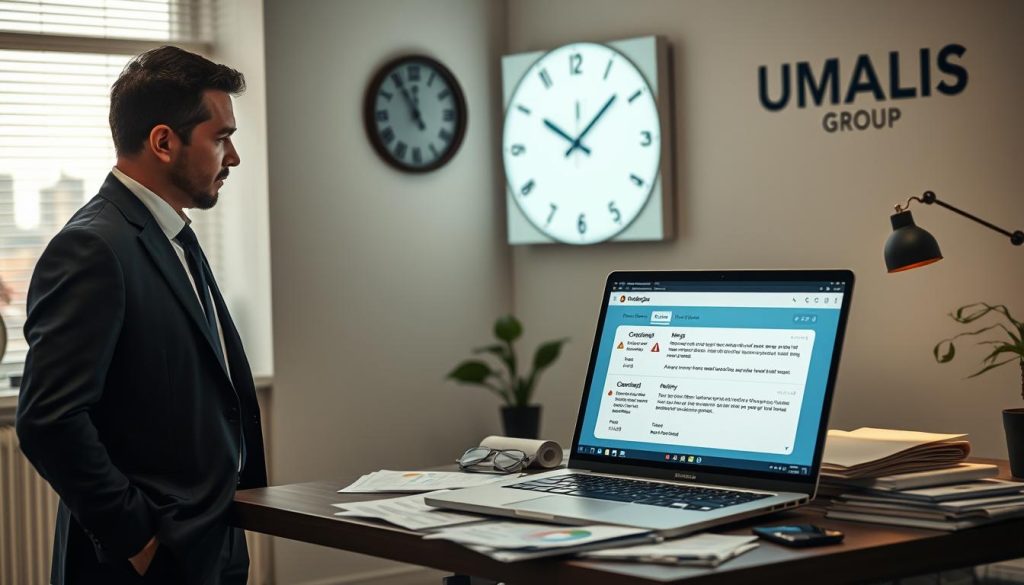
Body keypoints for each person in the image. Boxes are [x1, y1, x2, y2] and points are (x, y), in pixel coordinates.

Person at [15, 45, 267, 585]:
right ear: (162, 141)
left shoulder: (173, 236)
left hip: (209, 545)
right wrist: (139, 540)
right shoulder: (93, 248)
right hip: (141, 564)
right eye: (221, 137)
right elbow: (48, 420)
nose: (234, 157)